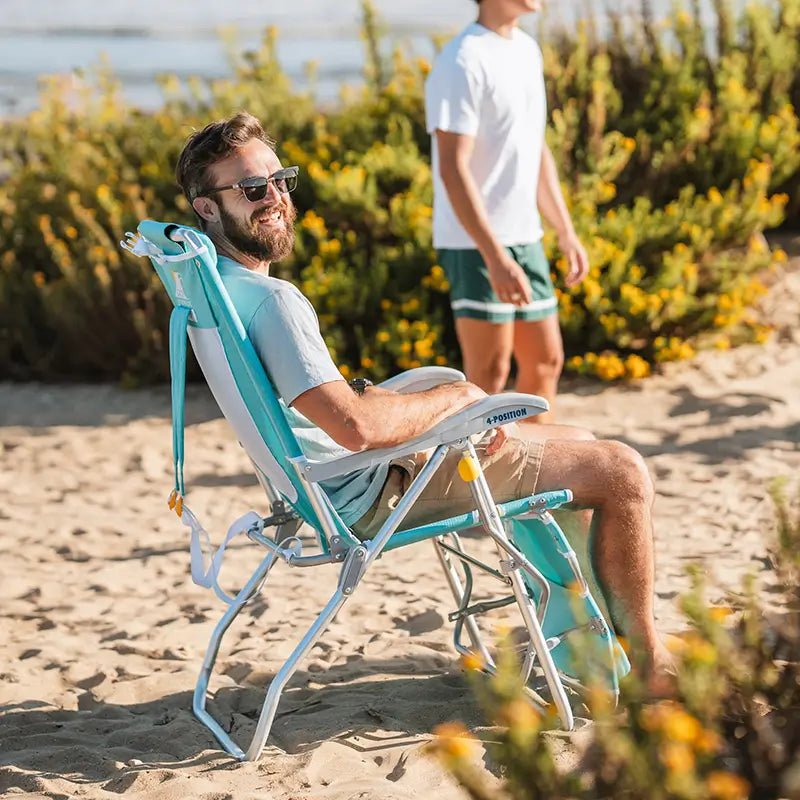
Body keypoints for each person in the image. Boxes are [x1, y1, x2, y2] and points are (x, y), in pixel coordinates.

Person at [174, 111, 672, 689]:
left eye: (280, 180)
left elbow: (331, 413)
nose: (275, 197)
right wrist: (454, 399)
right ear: (208, 208)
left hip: (335, 485)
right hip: (373, 492)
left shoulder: (214, 292)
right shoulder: (271, 301)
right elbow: (355, 429)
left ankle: (598, 641)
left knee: (580, 445)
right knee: (622, 472)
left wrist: (425, 408)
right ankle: (650, 667)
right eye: (252, 189)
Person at [425, 0, 590, 423]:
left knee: (546, 362)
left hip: (525, 237)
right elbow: (452, 169)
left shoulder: (527, 50)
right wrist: (495, 257)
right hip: (474, 244)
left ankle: (533, 463)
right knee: (489, 374)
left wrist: (565, 231)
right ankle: (468, 477)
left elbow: (535, 150)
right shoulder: (461, 60)